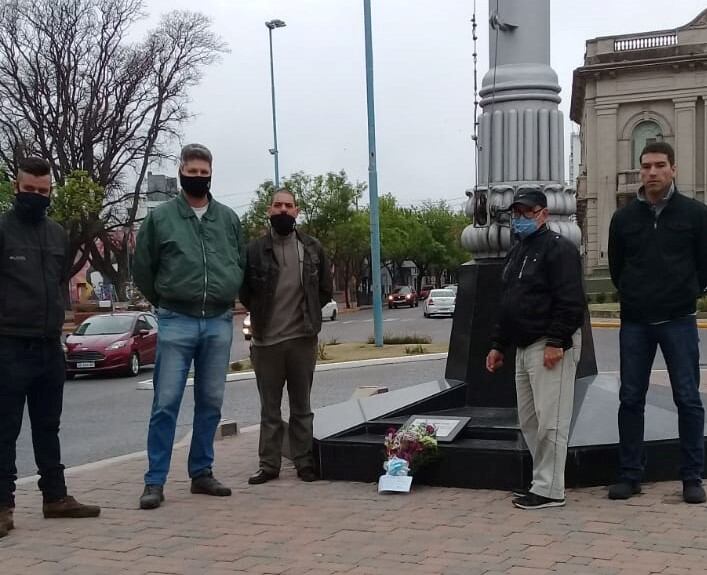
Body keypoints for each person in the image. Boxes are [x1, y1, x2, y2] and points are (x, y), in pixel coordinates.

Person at [133, 144, 245, 509]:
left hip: (217, 320)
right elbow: (143, 268)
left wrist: (226, 289)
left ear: (212, 173)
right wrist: (166, 300)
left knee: (210, 402)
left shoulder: (228, 218)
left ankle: (202, 472)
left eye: (203, 172)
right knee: (165, 403)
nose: (198, 177)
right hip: (176, 319)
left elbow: (238, 261)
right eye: (191, 171)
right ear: (180, 171)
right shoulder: (161, 218)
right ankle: (154, 481)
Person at [0, 157, 100, 539]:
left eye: (44, 192)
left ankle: (55, 497)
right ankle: (3, 506)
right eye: (30, 191)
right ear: (17, 187)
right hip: (8, 344)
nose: (37, 197)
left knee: (48, 426)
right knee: (4, 431)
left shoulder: (57, 234)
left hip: (48, 346)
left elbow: (60, 283)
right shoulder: (3, 229)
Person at [608, 141, 707, 504]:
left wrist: (687, 292)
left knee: (688, 399)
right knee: (631, 398)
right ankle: (630, 475)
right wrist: (634, 295)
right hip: (635, 322)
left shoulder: (695, 214)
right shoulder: (623, 218)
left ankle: (692, 477)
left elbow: (703, 264)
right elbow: (618, 268)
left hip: (679, 321)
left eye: (660, 165)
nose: (652, 172)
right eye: (646, 166)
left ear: (674, 169)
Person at [485, 188, 585, 510]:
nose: (520, 219)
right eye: (516, 213)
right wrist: (498, 345)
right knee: (530, 420)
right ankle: (542, 480)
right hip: (523, 346)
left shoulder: (561, 250)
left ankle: (550, 488)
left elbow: (571, 302)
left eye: (526, 212)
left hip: (549, 344)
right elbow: (508, 302)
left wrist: (557, 341)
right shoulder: (517, 252)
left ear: (543, 213)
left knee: (551, 419)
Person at [240, 188, 332, 485]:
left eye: (288, 206)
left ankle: (304, 462)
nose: (282, 210)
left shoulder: (313, 248)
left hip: (302, 340)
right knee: (270, 408)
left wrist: (308, 315)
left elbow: (325, 289)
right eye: (277, 205)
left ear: (297, 210)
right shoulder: (254, 250)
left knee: (301, 406)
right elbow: (245, 291)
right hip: (266, 342)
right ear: (269, 210)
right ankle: (269, 464)